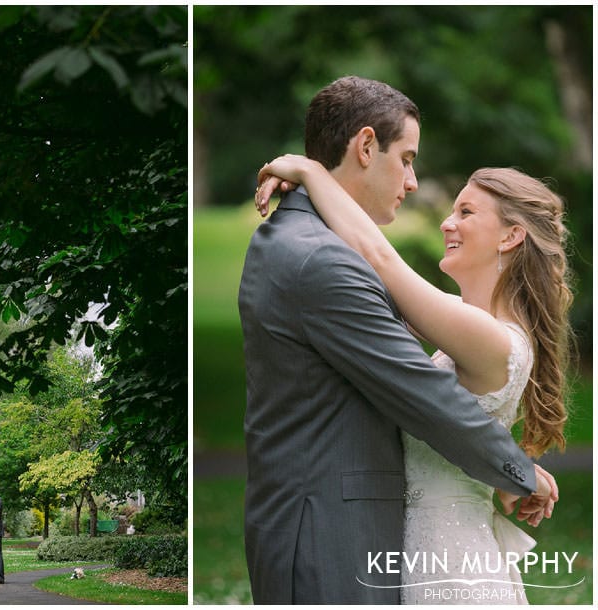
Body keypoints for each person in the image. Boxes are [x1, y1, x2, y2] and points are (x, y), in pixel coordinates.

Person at [237, 76, 558, 605]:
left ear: (511, 236)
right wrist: (517, 472)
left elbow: (385, 271)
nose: (412, 183)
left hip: (412, 544)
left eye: (466, 213)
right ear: (366, 147)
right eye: (406, 159)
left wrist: (310, 172)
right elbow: (424, 393)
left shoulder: (311, 243)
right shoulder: (323, 258)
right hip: (329, 535)